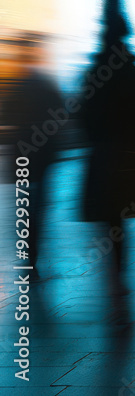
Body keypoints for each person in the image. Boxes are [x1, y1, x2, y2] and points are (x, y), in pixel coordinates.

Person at [80, 0, 135, 307]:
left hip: (103, 160)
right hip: (133, 159)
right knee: (124, 222)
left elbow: (84, 119)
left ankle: (114, 282)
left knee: (109, 223)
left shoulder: (92, 75)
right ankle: (122, 280)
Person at [2, 36, 62, 280]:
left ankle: (27, 255)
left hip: (21, 157)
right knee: (38, 209)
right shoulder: (46, 84)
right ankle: (33, 257)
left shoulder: (15, 86)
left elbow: (7, 115)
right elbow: (60, 114)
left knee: (23, 207)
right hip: (42, 155)